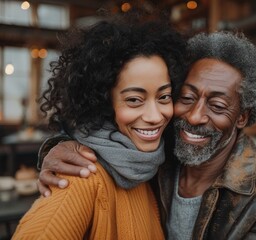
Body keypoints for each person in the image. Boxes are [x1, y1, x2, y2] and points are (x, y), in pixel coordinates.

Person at [36, 31, 256, 239]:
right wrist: (59, 146)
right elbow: (102, 131)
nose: (194, 116)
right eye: (186, 97)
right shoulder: (154, 153)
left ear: (242, 117)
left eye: (218, 106)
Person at [12, 17, 187, 239]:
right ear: (105, 102)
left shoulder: (156, 162)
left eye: (163, 97)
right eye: (134, 100)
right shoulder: (81, 175)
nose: (155, 116)